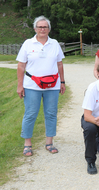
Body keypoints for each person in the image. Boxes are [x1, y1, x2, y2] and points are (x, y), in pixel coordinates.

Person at [16, 16, 66, 157]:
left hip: (52, 85)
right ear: (35, 29)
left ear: (49, 29)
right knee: (30, 114)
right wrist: (20, 85)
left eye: (45, 27)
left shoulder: (54, 43)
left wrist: (62, 82)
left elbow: (59, 64)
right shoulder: (28, 43)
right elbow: (21, 65)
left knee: (51, 113)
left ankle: (49, 142)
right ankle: (27, 144)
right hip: (32, 85)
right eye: (40, 27)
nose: (42, 29)